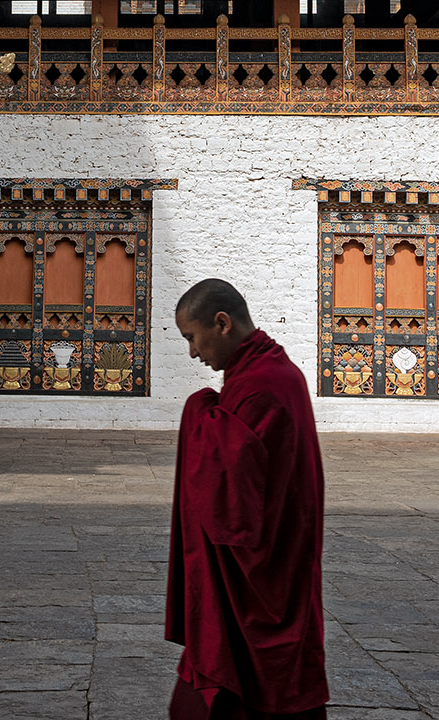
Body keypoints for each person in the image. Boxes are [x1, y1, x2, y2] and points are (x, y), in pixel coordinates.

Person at [166, 278, 329, 720]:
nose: (193, 354)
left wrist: (201, 412)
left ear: (222, 323)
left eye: (192, 338)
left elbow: (233, 507)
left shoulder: (263, 385)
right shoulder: (269, 373)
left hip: (262, 577)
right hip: (273, 567)